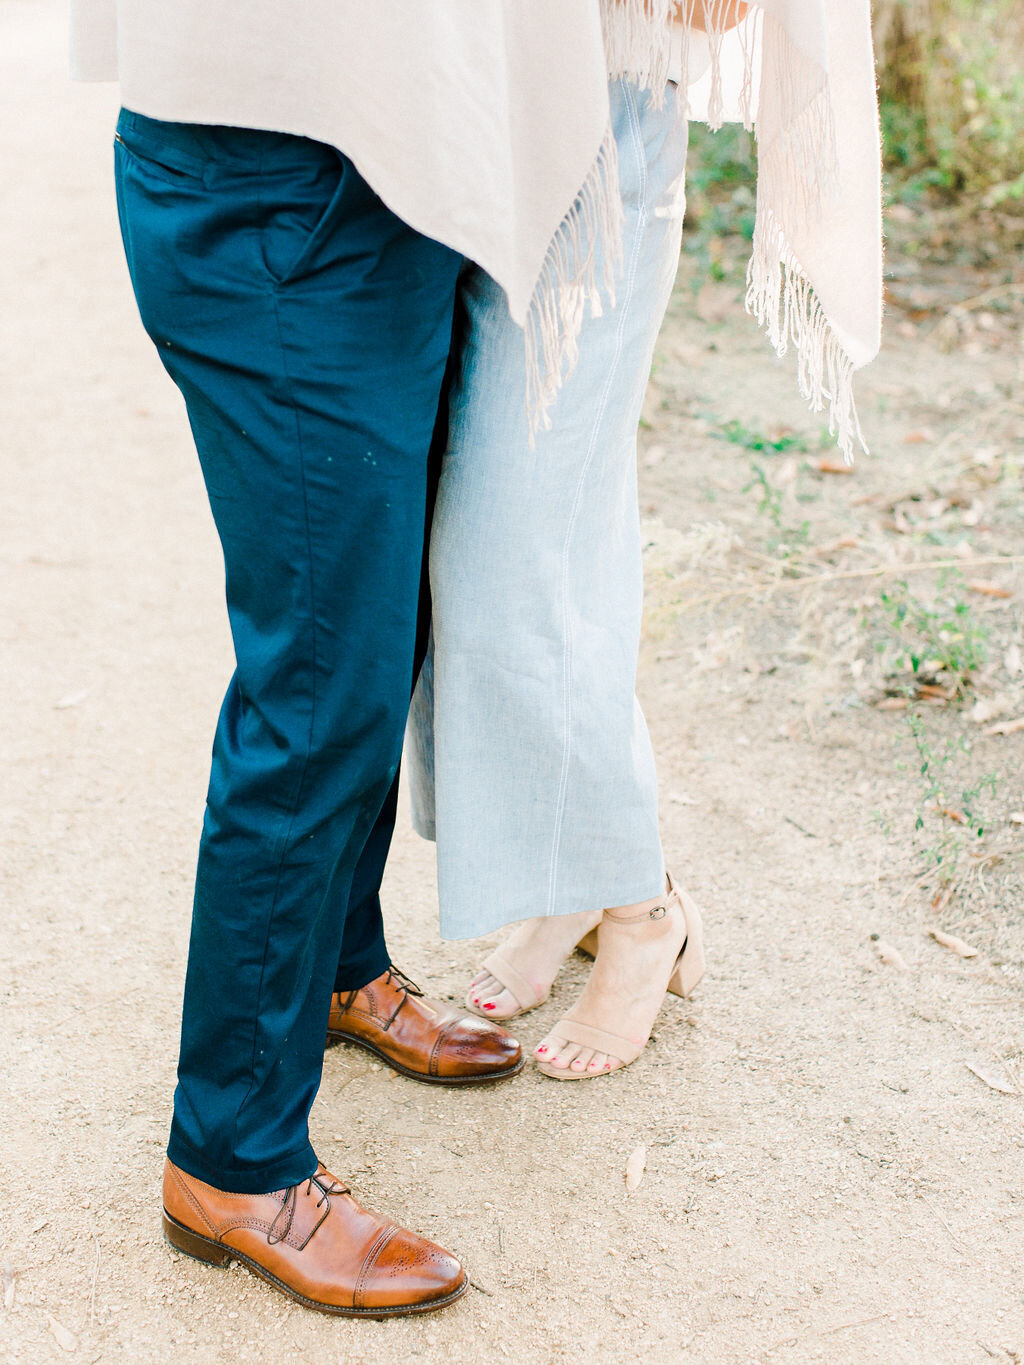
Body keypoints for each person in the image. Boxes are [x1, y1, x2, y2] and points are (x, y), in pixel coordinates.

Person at [71, 0, 620, 1320]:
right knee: (321, 682)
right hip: (274, 173)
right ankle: (234, 1157)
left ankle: (334, 965)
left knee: (386, 620)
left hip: (390, 160)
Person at [407, 0, 883, 1079]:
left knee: (513, 548)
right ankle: (571, 874)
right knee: (488, 536)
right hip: (467, 94)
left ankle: (641, 905)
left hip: (598, 97)